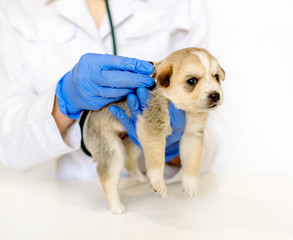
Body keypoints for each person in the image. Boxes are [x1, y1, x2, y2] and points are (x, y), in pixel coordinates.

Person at [0, 0, 222, 181]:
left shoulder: (183, 4)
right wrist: (63, 104)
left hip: (161, 197)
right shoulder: (17, 7)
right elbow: (8, 147)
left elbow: (209, 131)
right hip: (71, 200)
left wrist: (173, 147)